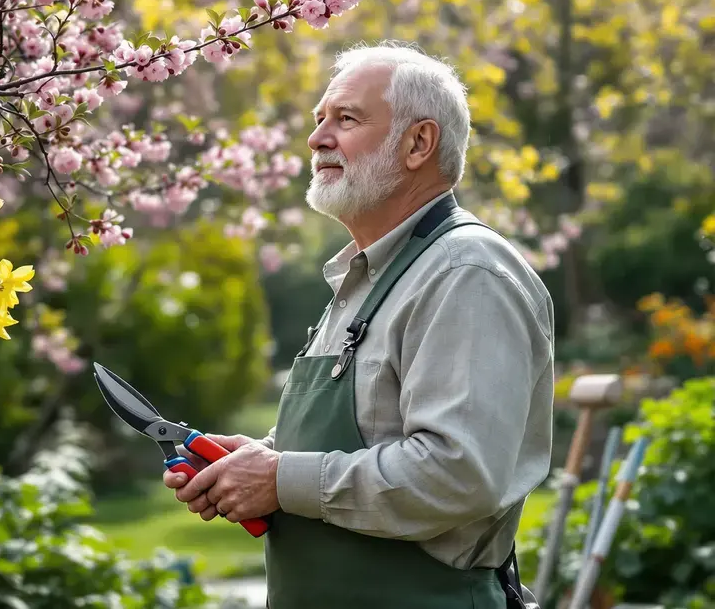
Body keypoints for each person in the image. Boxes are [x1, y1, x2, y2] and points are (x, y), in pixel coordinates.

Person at [164, 41, 553, 609]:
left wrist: (281, 479)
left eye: (346, 119)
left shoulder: (466, 273)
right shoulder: (368, 275)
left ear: (419, 143)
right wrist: (256, 464)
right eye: (320, 120)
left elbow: (458, 473)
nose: (317, 138)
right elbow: (372, 431)